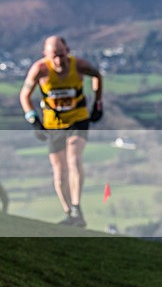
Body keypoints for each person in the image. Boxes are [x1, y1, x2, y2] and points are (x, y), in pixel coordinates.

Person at [19, 36, 103, 227]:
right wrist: (33, 119)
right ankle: (71, 213)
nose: (59, 61)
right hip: (54, 123)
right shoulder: (39, 70)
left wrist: (98, 104)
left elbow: (97, 75)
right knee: (59, 171)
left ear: (68, 51)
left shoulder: (79, 65)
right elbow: (24, 95)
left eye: (62, 55)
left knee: (73, 157)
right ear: (46, 55)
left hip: (77, 119)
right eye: (54, 56)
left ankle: (76, 205)